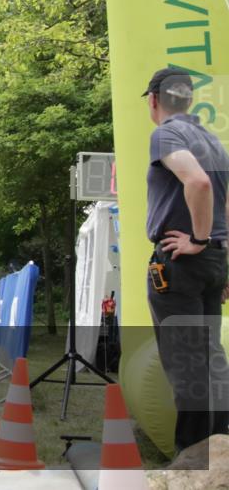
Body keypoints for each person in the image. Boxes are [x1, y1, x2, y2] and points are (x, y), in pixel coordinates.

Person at [142, 66, 229, 452]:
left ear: (154, 100)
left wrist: (198, 239)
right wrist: (219, 251)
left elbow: (198, 182)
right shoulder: (212, 140)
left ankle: (193, 462)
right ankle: (220, 452)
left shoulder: (167, 134)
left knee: (188, 366)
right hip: (214, 264)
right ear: (189, 99)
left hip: (181, 264)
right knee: (211, 359)